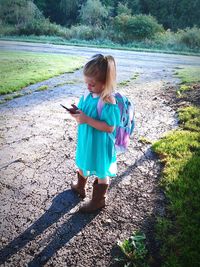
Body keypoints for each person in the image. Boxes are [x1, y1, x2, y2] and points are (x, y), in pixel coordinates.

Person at [70, 54, 120, 213]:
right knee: (82, 160)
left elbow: (110, 128)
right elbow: (82, 117)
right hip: (86, 140)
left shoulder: (108, 101)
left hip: (100, 144)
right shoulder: (86, 95)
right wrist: (77, 114)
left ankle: (98, 200)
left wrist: (86, 119)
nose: (88, 86)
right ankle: (80, 187)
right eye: (86, 82)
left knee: (101, 170)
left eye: (92, 84)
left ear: (105, 83)